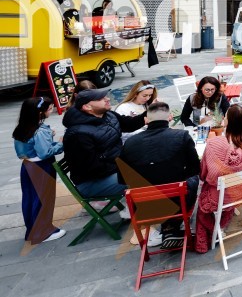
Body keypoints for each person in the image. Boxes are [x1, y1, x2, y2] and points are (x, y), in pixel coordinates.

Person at [118, 102, 199, 249]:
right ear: (169, 117)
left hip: (145, 205)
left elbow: (122, 179)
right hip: (177, 201)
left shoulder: (130, 143)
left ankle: (169, 229)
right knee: (193, 179)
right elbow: (195, 168)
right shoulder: (182, 136)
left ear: (146, 120)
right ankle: (171, 227)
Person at [195, 105, 242, 253]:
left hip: (224, 195)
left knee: (203, 201)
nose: (223, 119)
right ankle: (222, 224)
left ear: (228, 122)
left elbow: (208, 176)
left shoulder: (214, 144)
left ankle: (213, 232)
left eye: (225, 116)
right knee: (219, 187)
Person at [62, 89, 146, 204]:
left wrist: (150, 113)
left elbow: (129, 124)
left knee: (152, 163)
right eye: (101, 99)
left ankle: (141, 208)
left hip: (111, 171)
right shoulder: (78, 134)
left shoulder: (107, 115)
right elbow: (91, 168)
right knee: (146, 175)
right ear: (87, 107)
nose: (107, 99)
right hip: (92, 183)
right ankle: (139, 211)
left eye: (105, 96)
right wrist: (125, 164)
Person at [13, 97, 66, 244]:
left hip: (27, 166)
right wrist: (60, 144)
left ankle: (33, 230)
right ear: (39, 113)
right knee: (44, 199)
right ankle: (42, 232)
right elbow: (45, 152)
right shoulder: (40, 131)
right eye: (49, 109)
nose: (52, 111)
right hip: (42, 167)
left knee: (30, 199)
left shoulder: (21, 128)